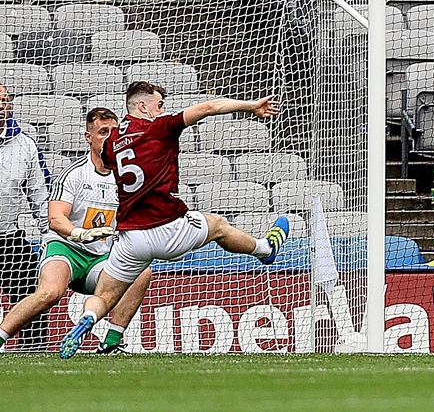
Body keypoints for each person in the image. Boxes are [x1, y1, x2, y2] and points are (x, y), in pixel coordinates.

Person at [58, 81, 290, 359]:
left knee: (105, 296)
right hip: (169, 229)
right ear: (142, 106)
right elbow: (209, 106)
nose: (162, 109)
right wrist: (250, 106)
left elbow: (108, 164)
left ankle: (88, 320)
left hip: (131, 239)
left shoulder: (111, 144)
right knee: (217, 225)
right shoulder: (161, 127)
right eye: (159, 104)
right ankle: (265, 249)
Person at [0, 108, 151, 354]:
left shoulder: (130, 177)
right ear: (88, 137)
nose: (110, 137)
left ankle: (111, 343)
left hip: (100, 258)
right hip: (67, 247)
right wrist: (77, 233)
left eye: (114, 132)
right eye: (103, 132)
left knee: (141, 273)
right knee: (51, 292)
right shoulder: (74, 174)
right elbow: (55, 218)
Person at [0, 84, 50, 351]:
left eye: (5, 100)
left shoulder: (25, 145)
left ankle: (34, 349)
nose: (1, 106)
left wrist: (48, 234)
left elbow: (41, 196)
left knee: (35, 293)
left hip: (8, 239)